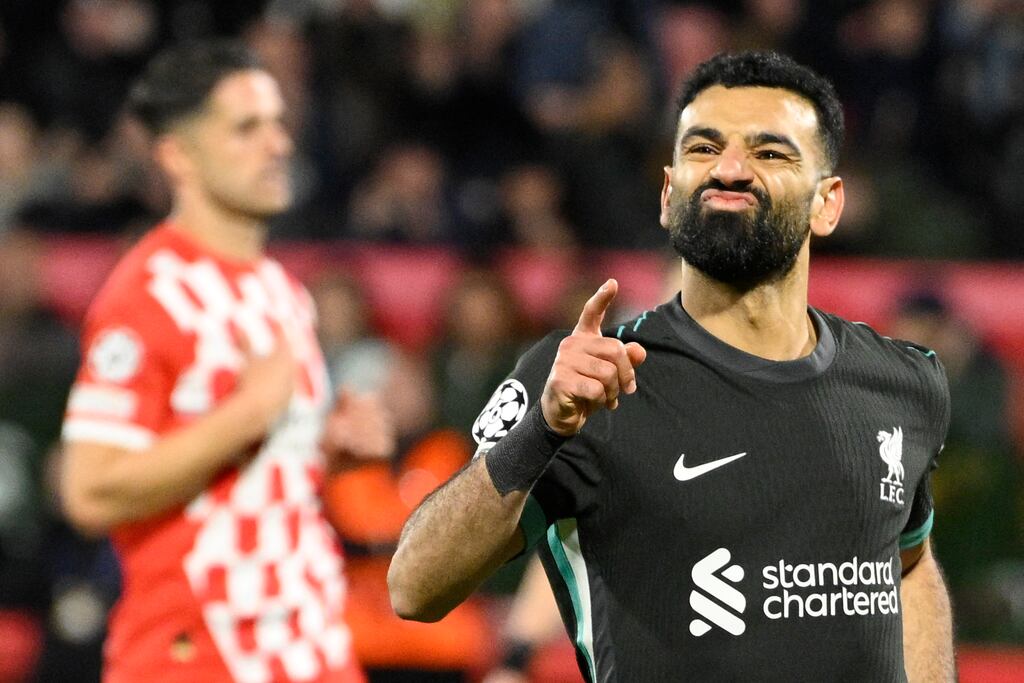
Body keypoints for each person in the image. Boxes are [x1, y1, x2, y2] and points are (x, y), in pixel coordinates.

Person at [388, 51, 955, 681]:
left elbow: (908, 565)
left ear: (828, 204)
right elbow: (414, 588)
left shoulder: (902, 382)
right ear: (667, 193)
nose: (731, 169)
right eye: (704, 148)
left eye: (770, 153)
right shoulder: (585, 377)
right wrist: (541, 432)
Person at [59, 41, 393, 683]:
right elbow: (89, 489)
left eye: (277, 123)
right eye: (246, 128)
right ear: (178, 156)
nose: (277, 145)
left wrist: (323, 451)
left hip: (308, 639)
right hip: (201, 648)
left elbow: (246, 478)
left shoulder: (281, 290)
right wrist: (246, 414)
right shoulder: (149, 295)